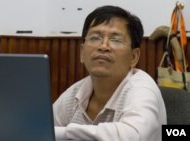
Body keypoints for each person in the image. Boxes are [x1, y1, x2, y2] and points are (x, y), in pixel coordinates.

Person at [53, 5, 167, 141]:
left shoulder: (141, 88)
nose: (103, 46)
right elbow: (40, 129)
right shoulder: (74, 94)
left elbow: (132, 136)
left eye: (116, 40)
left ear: (134, 57)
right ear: (82, 53)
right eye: (95, 38)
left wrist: (66, 133)